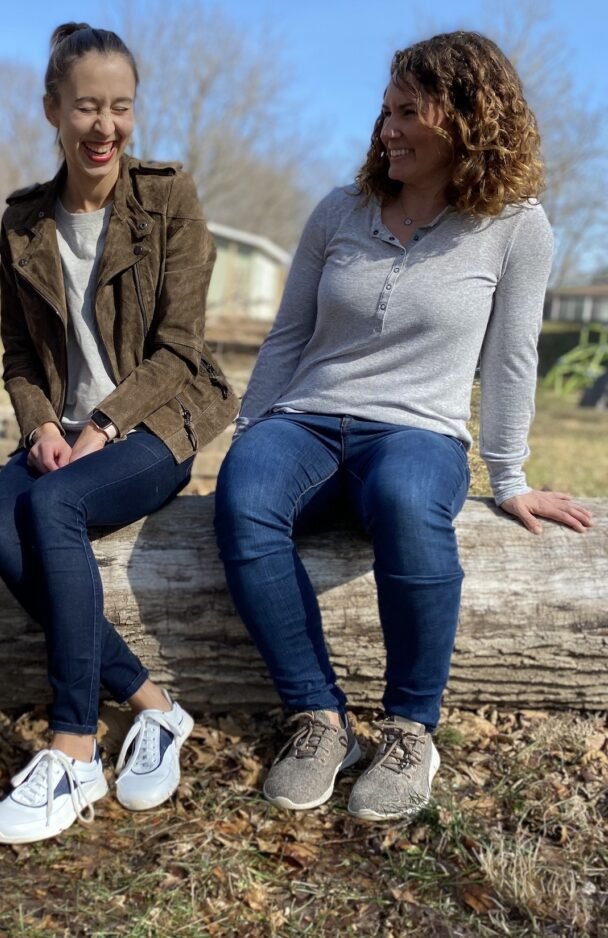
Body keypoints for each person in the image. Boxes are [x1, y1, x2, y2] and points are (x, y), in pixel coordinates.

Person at [214, 31, 593, 822]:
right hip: (308, 421)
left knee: (407, 503)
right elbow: (288, 336)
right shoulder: (341, 210)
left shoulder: (517, 227)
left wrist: (510, 478)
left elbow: (511, 359)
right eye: (384, 111)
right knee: (244, 495)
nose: (386, 128)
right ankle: (317, 718)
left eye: (407, 112)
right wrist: (252, 430)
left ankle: (412, 727)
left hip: (419, 432)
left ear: (467, 119)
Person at [0, 23, 238, 844]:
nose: (105, 127)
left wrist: (104, 422)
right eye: (87, 107)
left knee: (50, 512)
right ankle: (155, 707)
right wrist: (40, 426)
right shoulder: (23, 221)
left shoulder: (168, 199)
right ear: (53, 108)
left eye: (120, 108)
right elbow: (19, 353)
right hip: (62, 432)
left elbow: (181, 349)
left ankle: (74, 746)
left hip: (157, 422)